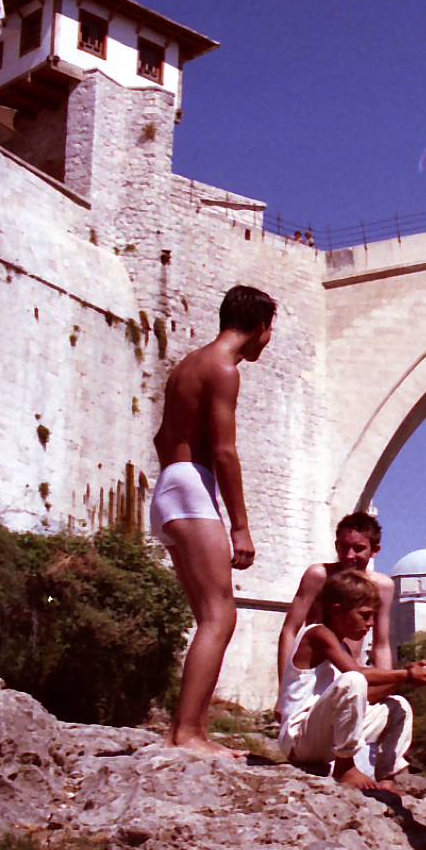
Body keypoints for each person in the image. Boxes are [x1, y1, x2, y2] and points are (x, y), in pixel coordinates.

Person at [150, 284, 276, 757]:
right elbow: (224, 451)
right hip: (193, 487)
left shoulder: (187, 366)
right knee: (219, 616)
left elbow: (164, 437)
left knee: (208, 615)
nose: (268, 341)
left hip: (170, 484)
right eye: (269, 332)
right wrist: (240, 526)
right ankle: (185, 735)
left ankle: (194, 731)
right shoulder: (224, 370)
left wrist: (178, 480)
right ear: (259, 327)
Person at [276, 569, 426, 792]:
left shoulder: (340, 645)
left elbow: (363, 696)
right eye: (364, 615)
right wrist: (405, 674)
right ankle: (345, 766)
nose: (370, 623)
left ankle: (387, 776)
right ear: (337, 611)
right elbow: (357, 676)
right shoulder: (317, 634)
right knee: (353, 679)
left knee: (398, 706)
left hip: (325, 737)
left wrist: (405, 679)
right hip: (300, 739)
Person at [277, 512, 397, 682]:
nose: (349, 555)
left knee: (395, 702)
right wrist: (286, 684)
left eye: (358, 548)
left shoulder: (382, 586)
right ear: (336, 546)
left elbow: (381, 644)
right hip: (314, 673)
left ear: (375, 550)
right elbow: (290, 630)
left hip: (352, 673)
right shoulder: (319, 576)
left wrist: (385, 682)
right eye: (343, 547)